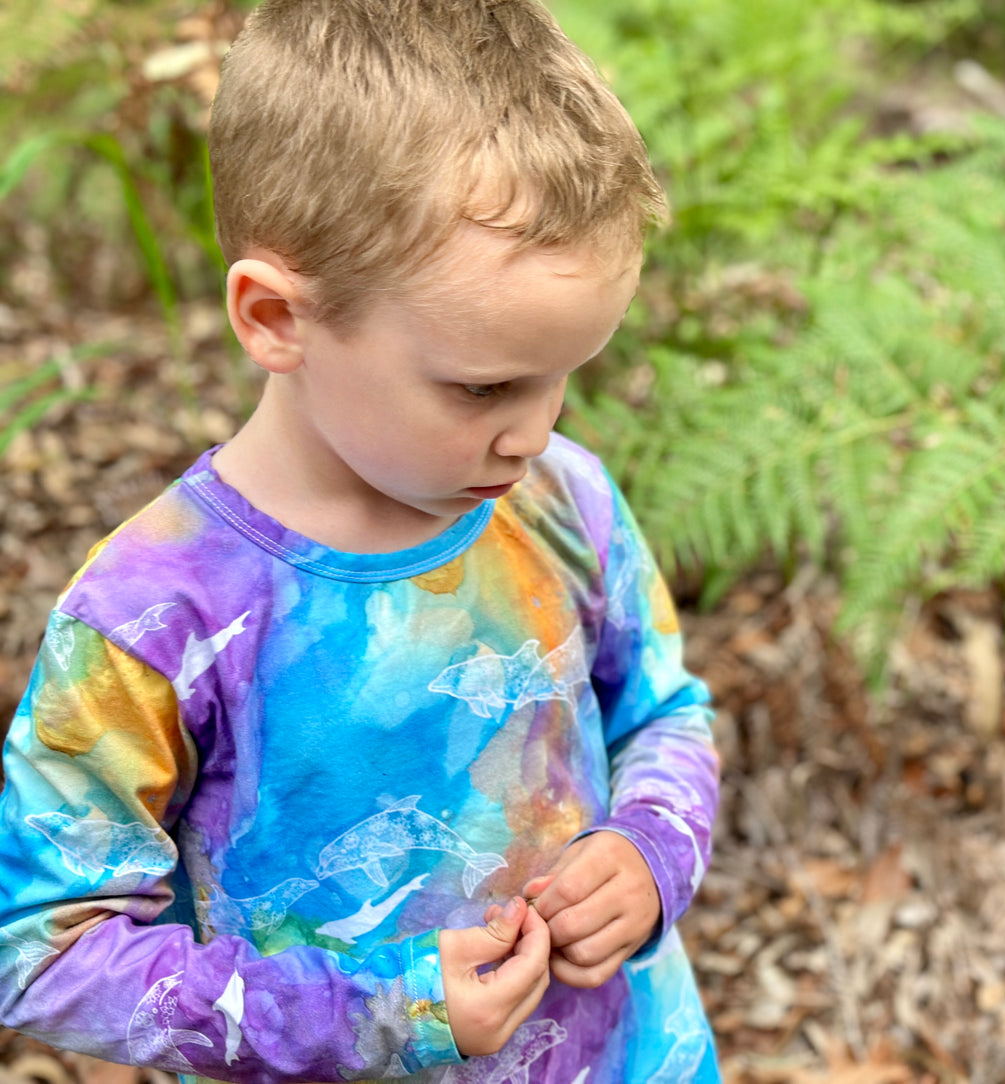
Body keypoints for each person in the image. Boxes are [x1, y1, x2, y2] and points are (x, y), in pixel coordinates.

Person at [0, 1, 722, 1081]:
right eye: (483, 384)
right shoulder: (158, 614)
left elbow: (663, 711)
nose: (536, 427)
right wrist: (382, 1008)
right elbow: (41, 951)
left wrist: (650, 847)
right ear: (276, 318)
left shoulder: (559, 499)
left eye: (565, 371)